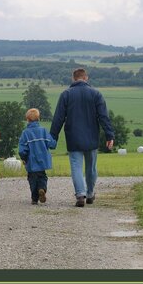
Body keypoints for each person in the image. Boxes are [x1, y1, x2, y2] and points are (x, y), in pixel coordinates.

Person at [50, 68, 114, 207]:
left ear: (73, 79)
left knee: (76, 167)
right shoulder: (96, 94)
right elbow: (104, 117)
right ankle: (90, 194)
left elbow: (58, 118)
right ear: (86, 78)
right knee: (91, 167)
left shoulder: (66, 94)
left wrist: (53, 138)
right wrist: (109, 135)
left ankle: (80, 195)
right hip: (92, 136)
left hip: (73, 137)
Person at [19, 108, 57, 205]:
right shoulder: (43, 131)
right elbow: (52, 144)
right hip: (43, 161)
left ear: (27, 119)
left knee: (32, 179)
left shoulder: (25, 133)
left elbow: (22, 150)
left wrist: (24, 158)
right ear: (38, 118)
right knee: (42, 177)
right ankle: (42, 189)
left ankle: (34, 198)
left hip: (31, 162)